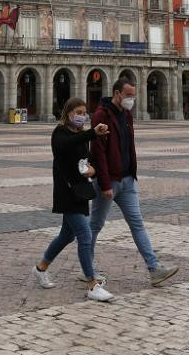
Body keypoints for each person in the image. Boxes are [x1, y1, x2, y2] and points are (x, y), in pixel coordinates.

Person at [88, 78, 179, 287]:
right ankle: (87, 268)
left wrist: (132, 172)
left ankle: (154, 269)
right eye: (129, 95)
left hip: (127, 180)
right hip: (109, 181)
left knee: (137, 224)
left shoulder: (127, 115)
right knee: (95, 225)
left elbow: (129, 145)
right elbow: (98, 152)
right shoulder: (101, 115)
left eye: (133, 95)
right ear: (117, 93)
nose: (132, 99)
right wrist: (104, 184)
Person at [32, 98, 114, 302]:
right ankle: (92, 283)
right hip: (66, 192)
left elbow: (86, 159)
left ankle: (40, 268)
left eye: (84, 112)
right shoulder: (60, 133)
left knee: (67, 235)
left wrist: (93, 170)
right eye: (78, 112)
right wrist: (92, 133)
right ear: (68, 113)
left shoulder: (82, 135)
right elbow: (66, 145)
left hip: (80, 191)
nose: (82, 116)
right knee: (84, 236)